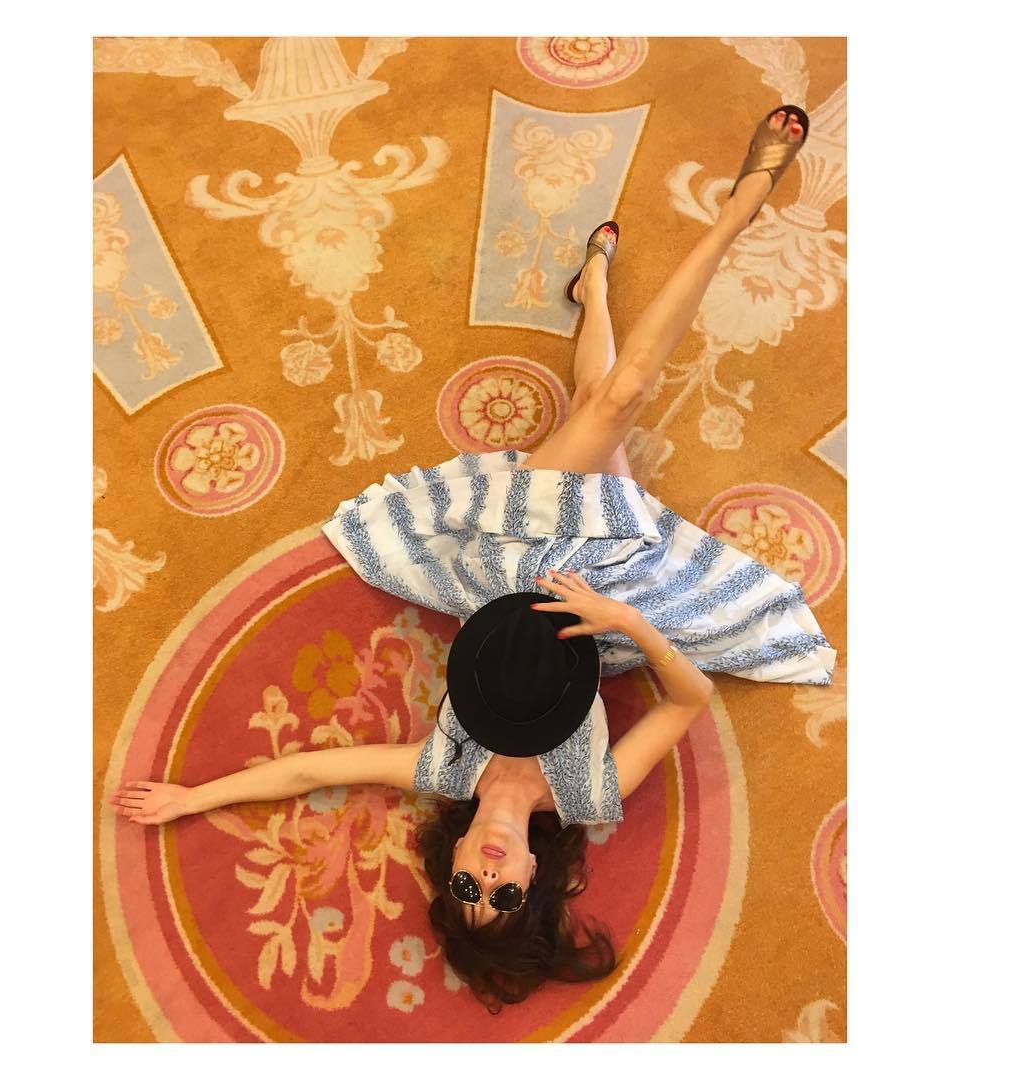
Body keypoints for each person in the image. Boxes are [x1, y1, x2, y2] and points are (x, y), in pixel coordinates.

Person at [110, 107, 830, 1013]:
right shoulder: (589, 793)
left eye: (466, 891)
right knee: (601, 406)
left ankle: (738, 209)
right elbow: (688, 700)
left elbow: (308, 774)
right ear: (535, 877)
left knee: (617, 399)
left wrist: (188, 801)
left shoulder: (444, 770)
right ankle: (596, 289)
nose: (487, 875)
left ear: (449, 863)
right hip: (600, 576)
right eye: (505, 895)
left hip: (503, 551)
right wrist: (621, 623)